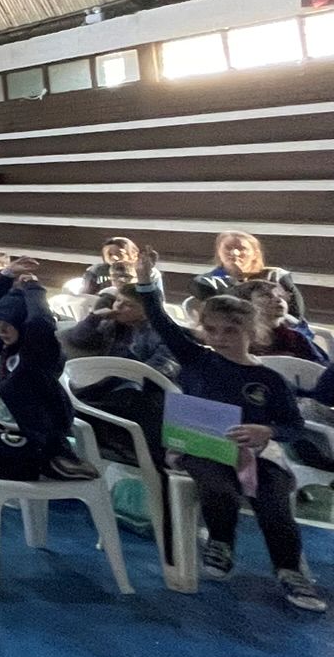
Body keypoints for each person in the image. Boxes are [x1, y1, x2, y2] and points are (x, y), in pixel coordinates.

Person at [130, 254, 323, 612]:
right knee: (218, 488)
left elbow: (293, 426)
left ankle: (289, 570)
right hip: (203, 448)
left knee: (274, 501)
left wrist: (267, 430)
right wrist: (147, 282)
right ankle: (220, 540)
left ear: (252, 332)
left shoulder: (269, 379)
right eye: (212, 330)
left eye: (230, 331)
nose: (220, 338)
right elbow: (160, 321)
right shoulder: (197, 359)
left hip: (257, 454)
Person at [0, 267, 97, 482]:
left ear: (22, 326)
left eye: (10, 325)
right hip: (0, 428)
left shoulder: (36, 357)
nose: (3, 330)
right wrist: (6, 275)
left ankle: (44, 464)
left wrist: (34, 287)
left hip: (35, 440)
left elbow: (39, 322)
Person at [192, 231, 307, 321]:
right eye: (228, 248)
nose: (234, 253)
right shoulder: (208, 280)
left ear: (255, 254)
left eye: (242, 248)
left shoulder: (275, 275)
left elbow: (296, 315)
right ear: (219, 253)